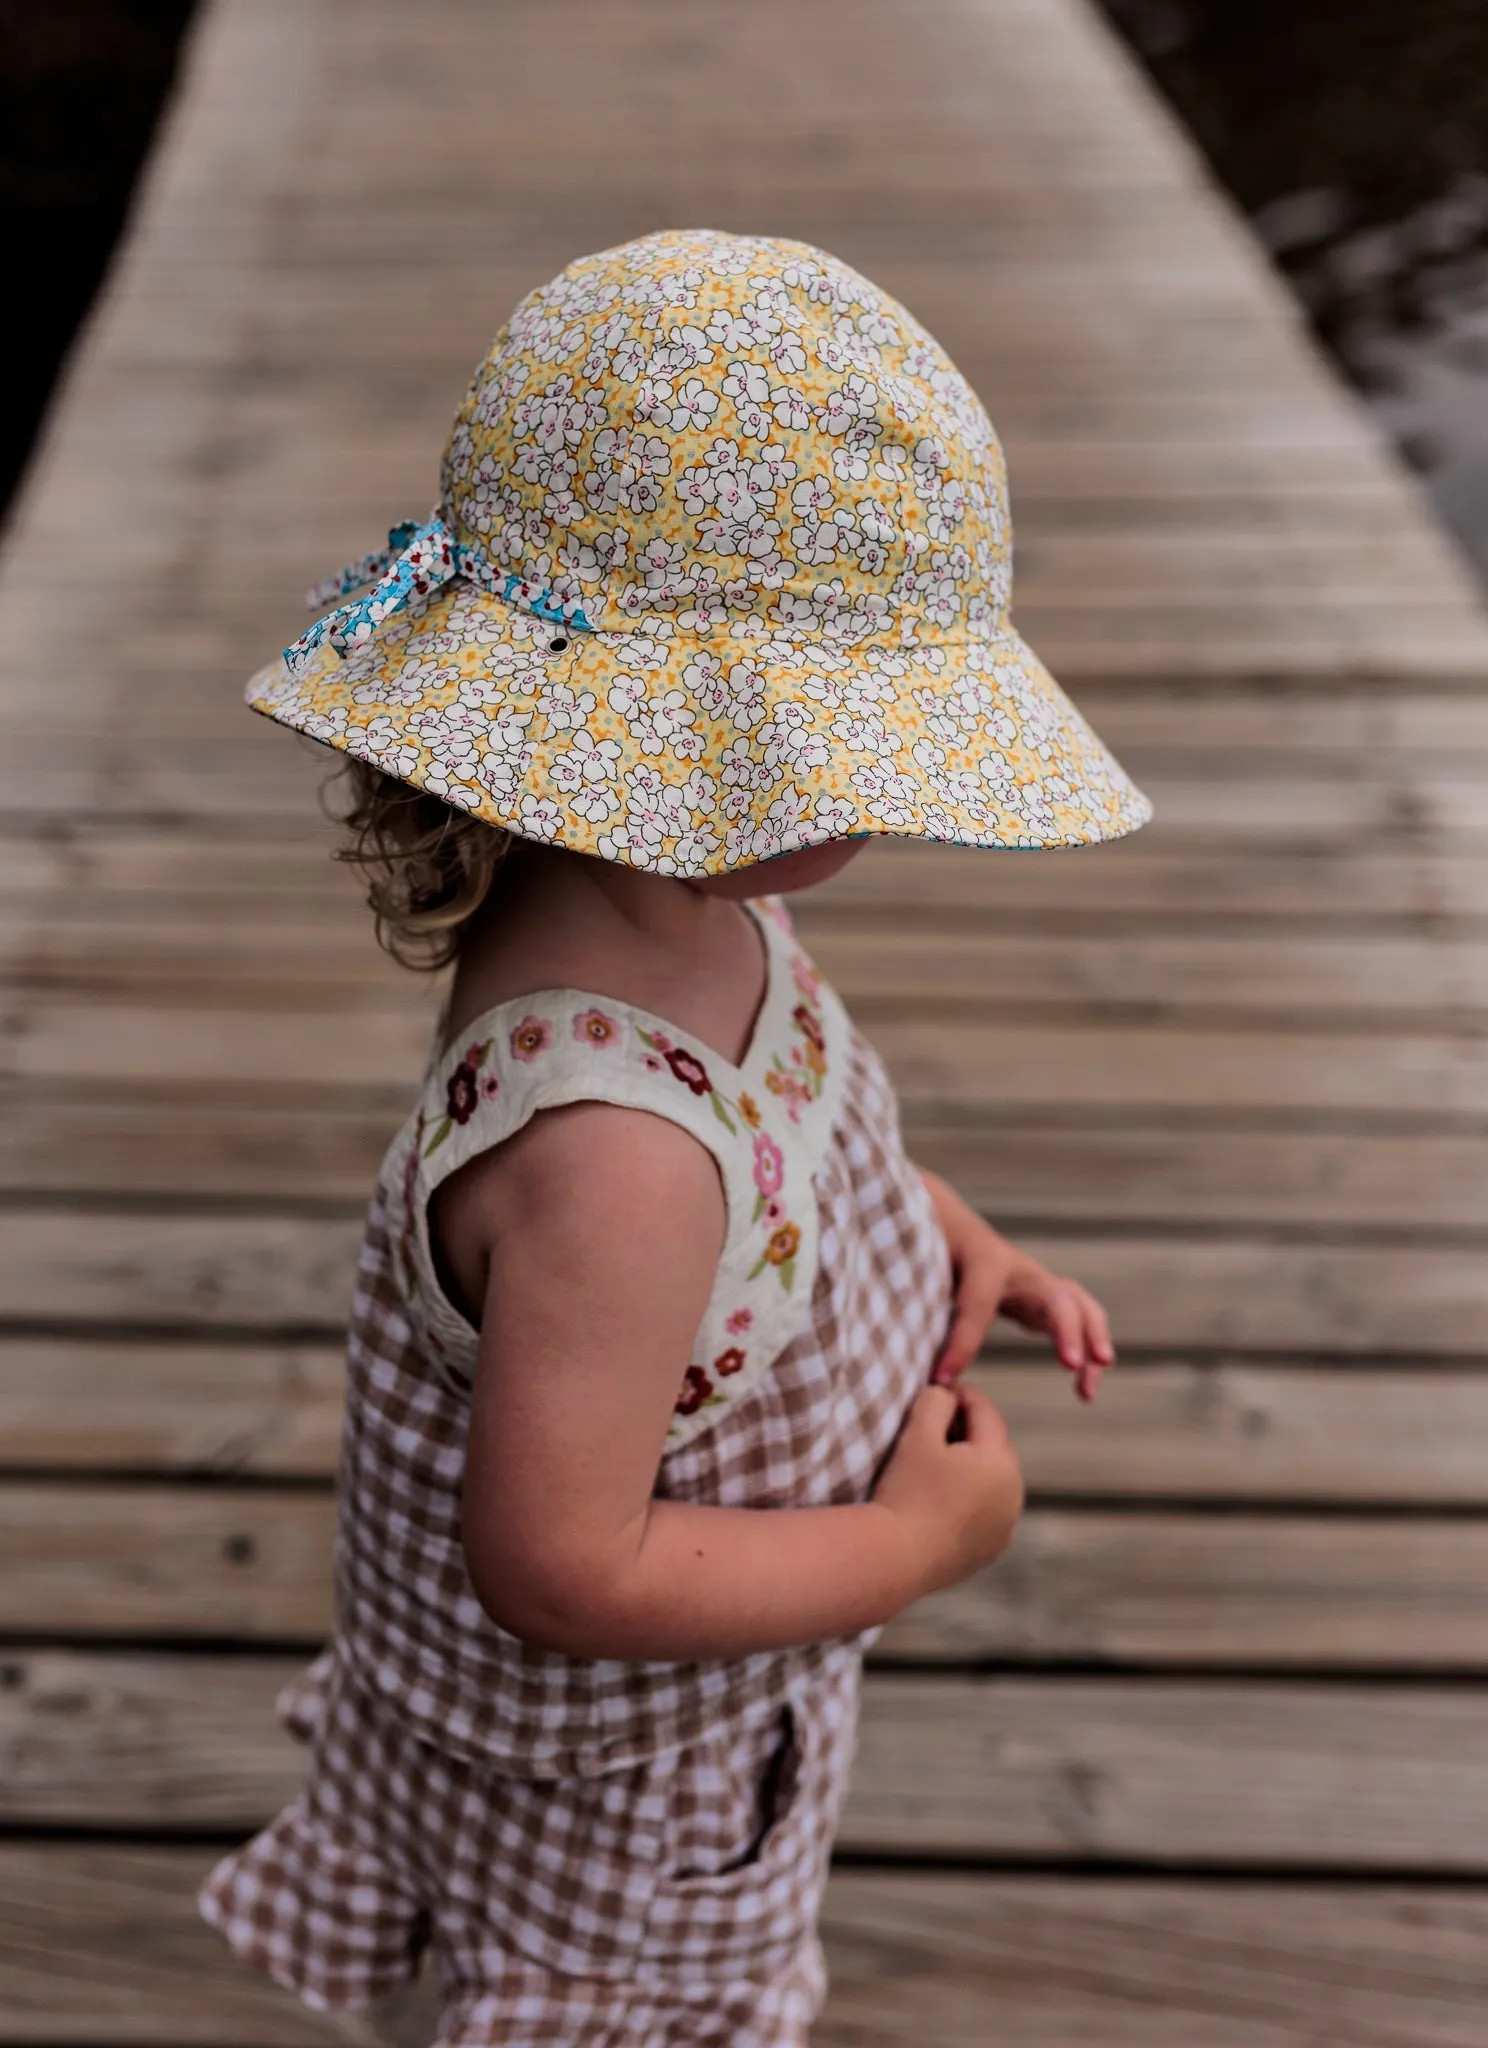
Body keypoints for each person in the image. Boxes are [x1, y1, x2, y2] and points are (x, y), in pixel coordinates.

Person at [200, 229, 1150, 2046]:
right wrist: (917, 1548)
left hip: (699, 1723)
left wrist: (938, 1228)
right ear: (722, 755)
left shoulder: (649, 899)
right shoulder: (612, 1162)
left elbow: (778, 1155)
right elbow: (563, 1568)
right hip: (625, 1819)